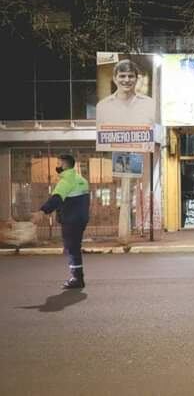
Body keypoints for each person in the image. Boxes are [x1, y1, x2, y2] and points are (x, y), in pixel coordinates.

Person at [31, 154, 90, 289]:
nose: (57, 166)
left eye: (58, 163)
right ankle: (78, 277)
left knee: (72, 248)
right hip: (81, 219)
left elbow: (56, 199)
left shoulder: (66, 181)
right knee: (74, 247)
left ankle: (77, 278)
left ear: (64, 165)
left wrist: (42, 211)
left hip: (71, 220)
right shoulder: (81, 180)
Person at [96, 59, 156, 126]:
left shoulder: (150, 105)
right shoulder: (102, 106)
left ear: (136, 79)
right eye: (122, 76)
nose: (127, 80)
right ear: (115, 79)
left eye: (131, 76)